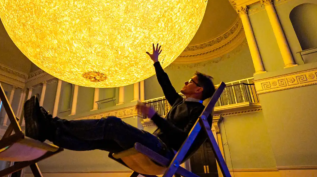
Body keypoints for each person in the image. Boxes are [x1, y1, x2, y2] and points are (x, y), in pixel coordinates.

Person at [23, 44, 216, 158]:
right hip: (156, 143)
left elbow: (182, 139)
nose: (185, 81)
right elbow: (166, 85)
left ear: (199, 89)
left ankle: (50, 125)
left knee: (112, 124)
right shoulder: (180, 104)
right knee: (101, 139)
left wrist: (154, 116)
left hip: (164, 151)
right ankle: (48, 131)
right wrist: (156, 62)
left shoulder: (200, 113)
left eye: (190, 81)